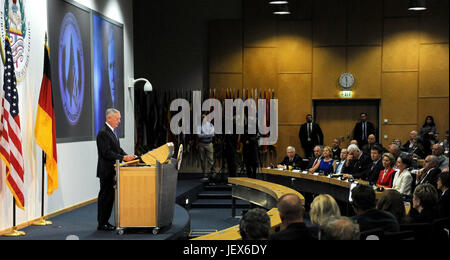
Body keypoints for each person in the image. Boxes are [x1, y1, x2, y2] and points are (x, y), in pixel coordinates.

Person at [96, 109, 137, 231]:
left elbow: (117, 149)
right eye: (117, 118)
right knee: (105, 198)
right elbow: (107, 153)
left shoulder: (112, 132)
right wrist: (123, 157)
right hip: (106, 171)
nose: (119, 121)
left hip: (113, 170)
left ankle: (106, 222)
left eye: (119, 118)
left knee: (110, 198)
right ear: (109, 118)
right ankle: (101, 223)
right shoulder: (103, 133)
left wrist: (128, 156)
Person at [197, 113, 215, 182]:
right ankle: (205, 174)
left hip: (209, 144)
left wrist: (204, 134)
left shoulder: (210, 125)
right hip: (201, 144)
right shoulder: (199, 126)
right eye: (202, 118)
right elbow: (199, 136)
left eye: (204, 118)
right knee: (202, 159)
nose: (203, 119)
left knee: (210, 159)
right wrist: (207, 134)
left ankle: (212, 174)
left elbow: (212, 134)